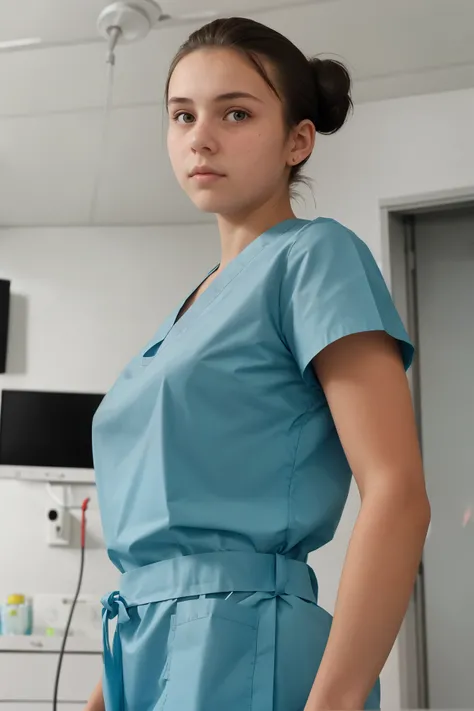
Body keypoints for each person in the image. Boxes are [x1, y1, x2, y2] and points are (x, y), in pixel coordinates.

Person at [85, 16, 430, 711]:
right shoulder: (184, 313)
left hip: (242, 643)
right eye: (181, 115)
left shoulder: (313, 257)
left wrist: (332, 702)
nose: (199, 137)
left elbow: (397, 491)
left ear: (297, 140)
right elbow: (156, 568)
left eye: (235, 112)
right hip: (140, 648)